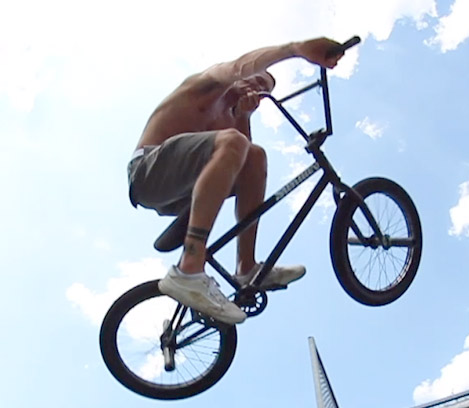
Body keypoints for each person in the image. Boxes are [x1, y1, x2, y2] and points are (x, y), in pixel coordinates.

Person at [126, 37, 347, 324]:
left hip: (178, 193)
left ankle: (247, 268)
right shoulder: (209, 83)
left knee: (255, 155)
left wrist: (244, 115)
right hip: (148, 170)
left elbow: (246, 167)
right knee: (235, 143)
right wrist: (294, 50)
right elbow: (239, 68)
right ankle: (189, 266)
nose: (257, 89)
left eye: (264, 90)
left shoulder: (231, 125)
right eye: (257, 80)